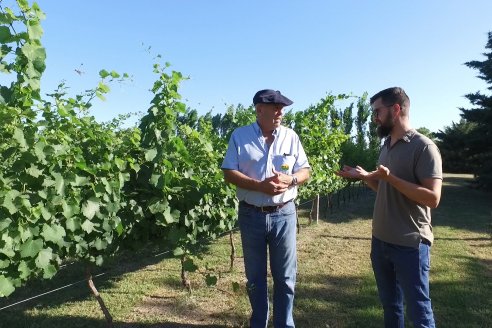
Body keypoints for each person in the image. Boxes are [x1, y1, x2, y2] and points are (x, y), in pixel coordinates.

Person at [337, 87, 442, 328]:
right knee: (391, 306)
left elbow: (433, 198)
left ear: (396, 109)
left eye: (378, 111)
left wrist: (391, 178)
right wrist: (364, 176)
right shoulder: (386, 145)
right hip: (381, 240)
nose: (374, 117)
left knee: (419, 310)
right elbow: (385, 188)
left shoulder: (424, 148)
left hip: (410, 245)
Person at [221, 89, 310, 328]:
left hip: (284, 214)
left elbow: (305, 171)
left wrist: (291, 180)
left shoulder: (291, 136)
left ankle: (284, 324)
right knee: (255, 278)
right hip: (251, 215)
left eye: (282, 107)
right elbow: (229, 171)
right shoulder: (240, 137)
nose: (281, 112)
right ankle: (259, 322)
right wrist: (259, 186)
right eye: (276, 107)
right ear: (260, 109)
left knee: (286, 277)